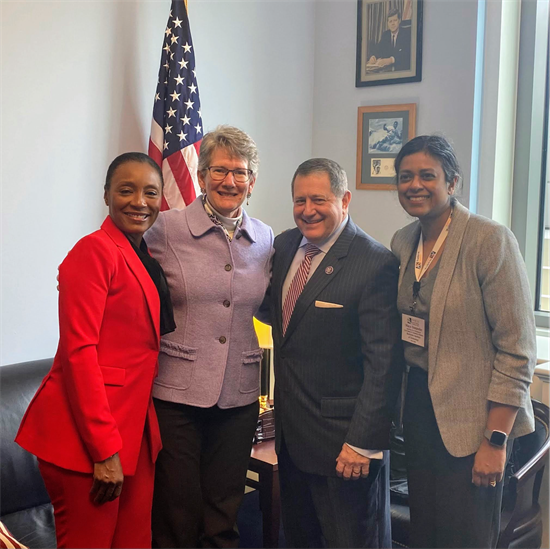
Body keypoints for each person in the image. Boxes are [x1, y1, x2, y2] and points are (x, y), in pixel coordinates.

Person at [16, 152, 175, 548]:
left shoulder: (142, 255)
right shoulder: (93, 251)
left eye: (150, 192)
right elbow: (78, 354)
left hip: (134, 430)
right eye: (126, 190)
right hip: (87, 439)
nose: (139, 201)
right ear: (106, 195)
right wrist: (103, 451)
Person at [391, 135, 537, 549]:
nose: (414, 185)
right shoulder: (403, 241)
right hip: (418, 412)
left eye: (427, 176)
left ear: (452, 183)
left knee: (465, 538)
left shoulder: (489, 240)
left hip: (476, 421)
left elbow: (517, 350)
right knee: (426, 534)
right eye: (405, 177)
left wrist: (495, 441)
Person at [147, 125, 274, 549]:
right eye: (219, 170)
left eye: (240, 173)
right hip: (177, 394)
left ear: (252, 182)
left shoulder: (266, 238)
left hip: (238, 396)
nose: (230, 181)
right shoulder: (167, 228)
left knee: (224, 512)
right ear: (201, 177)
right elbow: (118, 262)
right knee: (176, 512)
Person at [267, 158, 403, 549]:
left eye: (319, 200)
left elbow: (384, 365)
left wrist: (362, 442)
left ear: (345, 200)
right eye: (299, 200)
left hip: (345, 448)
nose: (307, 210)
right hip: (292, 441)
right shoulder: (284, 245)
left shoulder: (375, 263)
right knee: (299, 539)